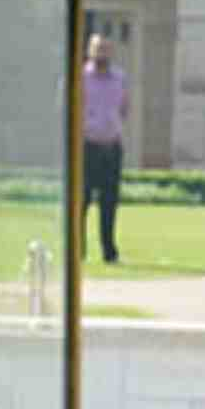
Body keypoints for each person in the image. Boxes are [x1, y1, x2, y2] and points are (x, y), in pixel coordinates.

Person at [81, 32, 130, 263]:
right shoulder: (79, 78)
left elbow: (124, 108)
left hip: (112, 147)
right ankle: (77, 250)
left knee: (109, 202)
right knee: (81, 201)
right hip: (86, 147)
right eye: (98, 48)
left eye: (106, 49)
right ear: (90, 50)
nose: (102, 53)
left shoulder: (120, 78)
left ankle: (109, 251)